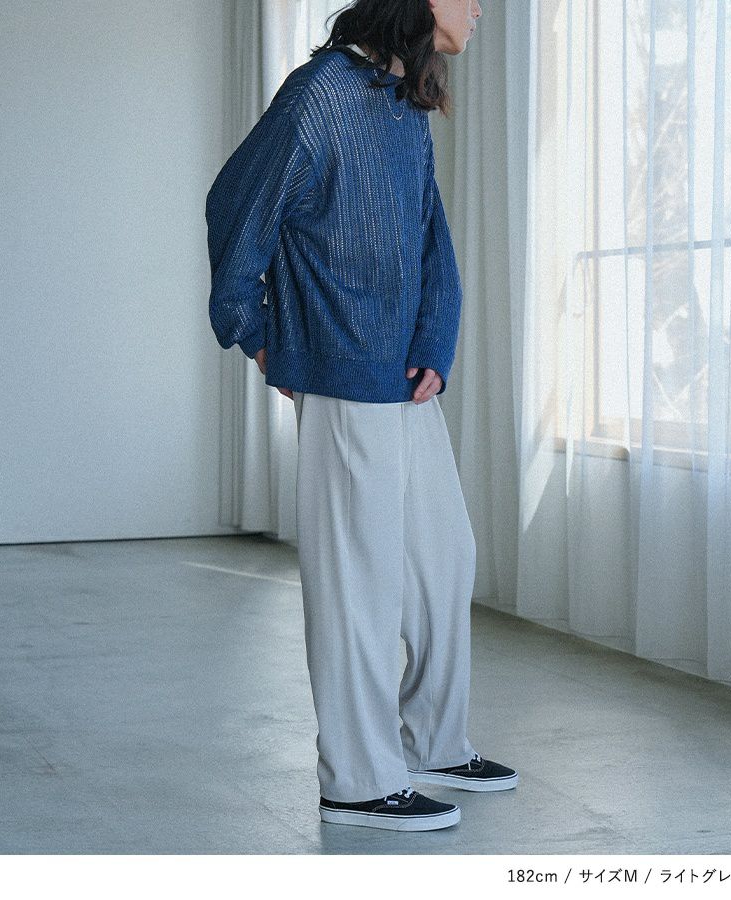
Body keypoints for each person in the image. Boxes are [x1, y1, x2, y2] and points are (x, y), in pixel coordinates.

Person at [205, 0, 517, 832]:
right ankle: (357, 780)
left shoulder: (402, 102)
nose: (477, 8)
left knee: (444, 558)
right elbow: (235, 203)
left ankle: (433, 741)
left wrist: (435, 340)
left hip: (403, 377)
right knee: (359, 584)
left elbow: (430, 236)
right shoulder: (320, 94)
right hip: (341, 369)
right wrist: (256, 331)